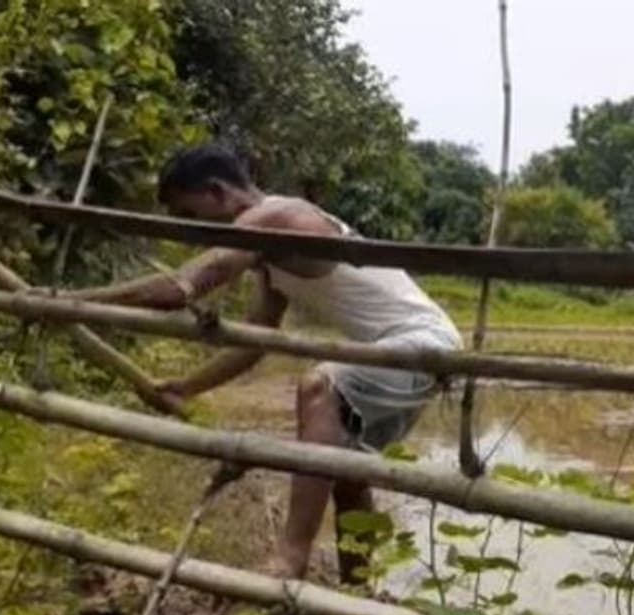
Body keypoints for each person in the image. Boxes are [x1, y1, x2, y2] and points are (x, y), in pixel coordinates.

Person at [68, 144, 463, 585]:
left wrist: (74, 301)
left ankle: (290, 558)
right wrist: (186, 387)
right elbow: (255, 342)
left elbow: (178, 290)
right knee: (347, 469)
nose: (197, 230)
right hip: (408, 348)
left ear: (217, 192)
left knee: (319, 388)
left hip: (425, 343)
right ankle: (358, 586)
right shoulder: (271, 255)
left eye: (192, 213)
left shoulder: (274, 218)